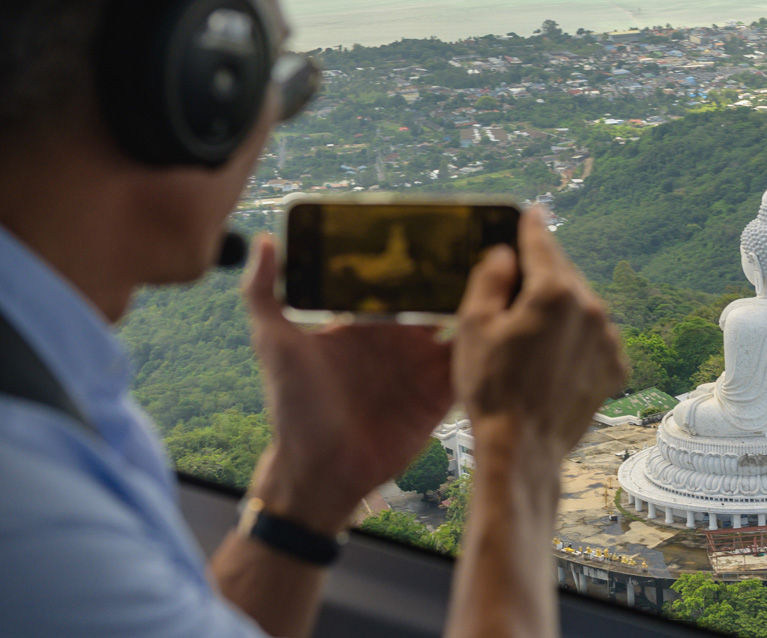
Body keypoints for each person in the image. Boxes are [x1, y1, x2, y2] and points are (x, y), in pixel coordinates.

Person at [0, 2, 626, 637]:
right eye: (273, 84)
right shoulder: (30, 507)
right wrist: (521, 459)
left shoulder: (55, 401)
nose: (275, 121)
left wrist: (308, 493)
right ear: (187, 93)